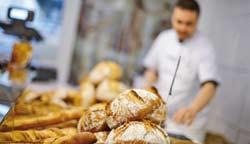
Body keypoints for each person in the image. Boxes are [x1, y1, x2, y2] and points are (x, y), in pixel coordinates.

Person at [143, 0, 220, 143]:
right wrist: (147, 90)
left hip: (187, 124)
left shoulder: (205, 47)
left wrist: (193, 109)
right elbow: (152, 70)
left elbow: (210, 85)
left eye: (189, 24)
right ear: (172, 18)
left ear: (197, 21)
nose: (183, 27)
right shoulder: (163, 38)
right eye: (179, 22)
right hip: (158, 118)